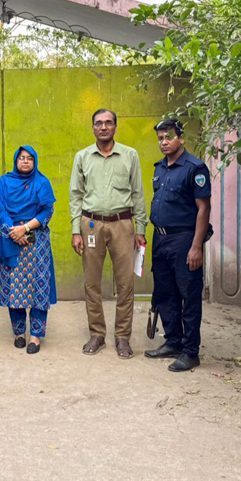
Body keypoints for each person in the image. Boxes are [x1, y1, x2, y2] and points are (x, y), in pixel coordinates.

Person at [69, 109, 148, 360]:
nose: (103, 127)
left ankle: (122, 337)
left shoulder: (130, 155)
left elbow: (138, 193)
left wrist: (141, 228)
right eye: (99, 123)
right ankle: (97, 334)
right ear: (93, 128)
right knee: (92, 283)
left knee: (125, 283)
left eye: (108, 123)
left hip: (122, 225)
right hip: (91, 224)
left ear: (115, 127)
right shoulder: (82, 157)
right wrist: (75, 230)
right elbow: (76, 196)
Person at [144, 118, 211, 372]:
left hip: (184, 239)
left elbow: (203, 208)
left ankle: (191, 351)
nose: (164, 142)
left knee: (189, 295)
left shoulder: (195, 168)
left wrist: (196, 247)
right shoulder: (159, 168)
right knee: (165, 292)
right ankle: (173, 341)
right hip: (160, 239)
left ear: (180, 138)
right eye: (160, 138)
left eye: (169, 136)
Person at [0, 146, 57, 354]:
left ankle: (35, 335)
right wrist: (13, 230)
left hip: (36, 240)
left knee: (38, 286)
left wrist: (25, 228)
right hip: (12, 238)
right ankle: (19, 333)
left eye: (29, 158)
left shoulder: (42, 182)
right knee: (14, 286)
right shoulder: (4, 182)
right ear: (15, 160)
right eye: (21, 158)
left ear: (35, 161)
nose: (26, 162)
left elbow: (48, 210)